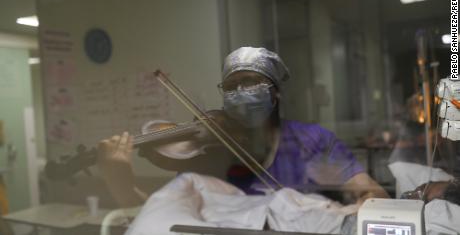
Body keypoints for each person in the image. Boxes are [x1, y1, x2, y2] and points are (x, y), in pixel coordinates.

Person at [97, 47, 389, 208]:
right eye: (231, 86)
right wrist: (120, 181)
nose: (239, 92)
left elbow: (374, 195)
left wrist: (352, 211)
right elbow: (161, 215)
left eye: (250, 82)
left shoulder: (311, 140)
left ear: (275, 93)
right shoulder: (211, 151)